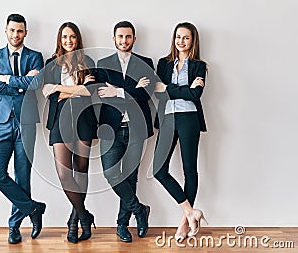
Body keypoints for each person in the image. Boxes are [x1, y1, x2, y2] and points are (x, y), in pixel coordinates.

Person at [0, 14, 46, 244]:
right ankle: (34, 208)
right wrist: (21, 83)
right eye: (12, 30)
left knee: (23, 176)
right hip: (1, 122)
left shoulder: (35, 57)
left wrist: (8, 79)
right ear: (5, 31)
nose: (15, 35)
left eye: (20, 31)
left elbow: (36, 84)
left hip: (26, 122)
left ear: (26, 33)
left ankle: (14, 227)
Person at [96, 21, 155, 242]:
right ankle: (140, 210)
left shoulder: (145, 63)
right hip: (110, 129)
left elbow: (146, 95)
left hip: (136, 129)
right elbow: (101, 93)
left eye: (128, 36)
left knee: (130, 178)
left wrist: (118, 91)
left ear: (134, 39)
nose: (124, 40)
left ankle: (122, 224)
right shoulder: (103, 63)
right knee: (111, 173)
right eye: (120, 36)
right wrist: (133, 88)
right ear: (114, 39)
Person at [41, 22, 97, 243]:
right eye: (65, 37)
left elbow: (90, 92)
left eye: (72, 37)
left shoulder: (88, 61)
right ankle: (84, 215)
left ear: (78, 39)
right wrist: (76, 90)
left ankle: (74, 219)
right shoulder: (51, 64)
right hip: (59, 121)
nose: (68, 41)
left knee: (80, 170)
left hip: (84, 120)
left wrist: (60, 88)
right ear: (59, 39)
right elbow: (49, 95)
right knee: (64, 173)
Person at [153, 22, 208, 242]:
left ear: (193, 41)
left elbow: (196, 96)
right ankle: (190, 211)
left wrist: (168, 89)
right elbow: (158, 95)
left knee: (189, 170)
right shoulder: (163, 64)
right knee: (159, 169)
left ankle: (184, 223)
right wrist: (183, 90)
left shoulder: (199, 66)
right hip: (167, 118)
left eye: (186, 38)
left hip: (189, 119)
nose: (181, 41)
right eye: (178, 37)